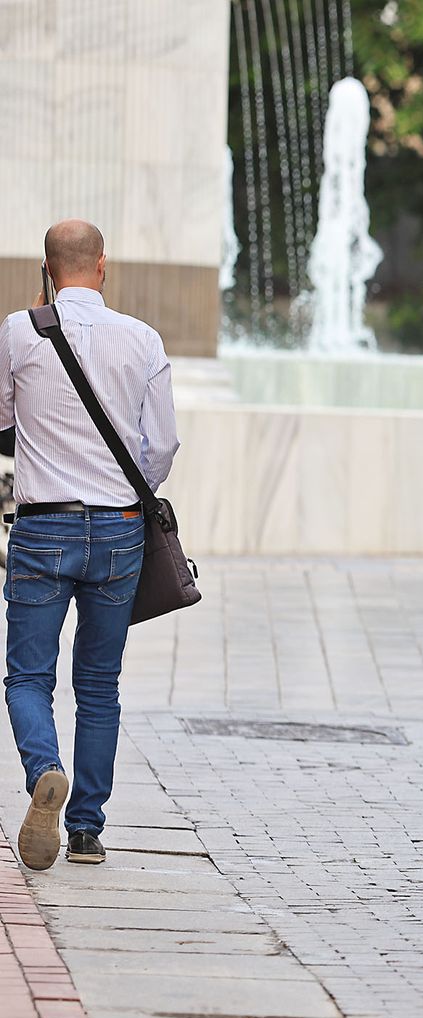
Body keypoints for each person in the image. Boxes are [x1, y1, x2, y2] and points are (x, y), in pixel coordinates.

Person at [0, 219, 180, 870]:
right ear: (102, 265)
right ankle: (85, 831)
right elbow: (160, 447)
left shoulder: (20, 330)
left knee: (27, 675)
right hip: (118, 530)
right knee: (100, 685)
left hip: (43, 525)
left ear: (48, 269)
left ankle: (45, 769)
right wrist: (131, 494)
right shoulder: (142, 338)